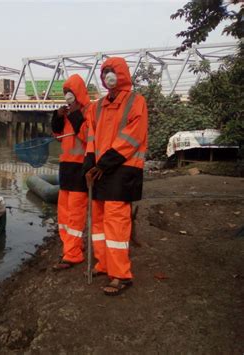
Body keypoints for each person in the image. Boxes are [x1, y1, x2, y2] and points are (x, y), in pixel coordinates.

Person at [83, 57, 148, 296]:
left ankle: (121, 275)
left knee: (116, 222)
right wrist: (89, 162)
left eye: (112, 71)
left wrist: (104, 163)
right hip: (101, 168)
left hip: (123, 169)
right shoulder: (97, 106)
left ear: (122, 74)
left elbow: (133, 137)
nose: (108, 76)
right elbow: (91, 135)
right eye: (105, 72)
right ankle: (104, 264)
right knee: (98, 220)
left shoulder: (135, 101)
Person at [50, 74, 93, 270]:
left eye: (70, 93)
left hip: (80, 168)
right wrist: (57, 118)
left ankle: (73, 254)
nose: (68, 97)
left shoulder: (89, 111)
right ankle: (70, 248)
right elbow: (59, 136)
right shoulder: (68, 113)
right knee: (64, 214)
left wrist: (76, 114)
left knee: (75, 214)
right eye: (66, 93)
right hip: (66, 167)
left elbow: (87, 136)